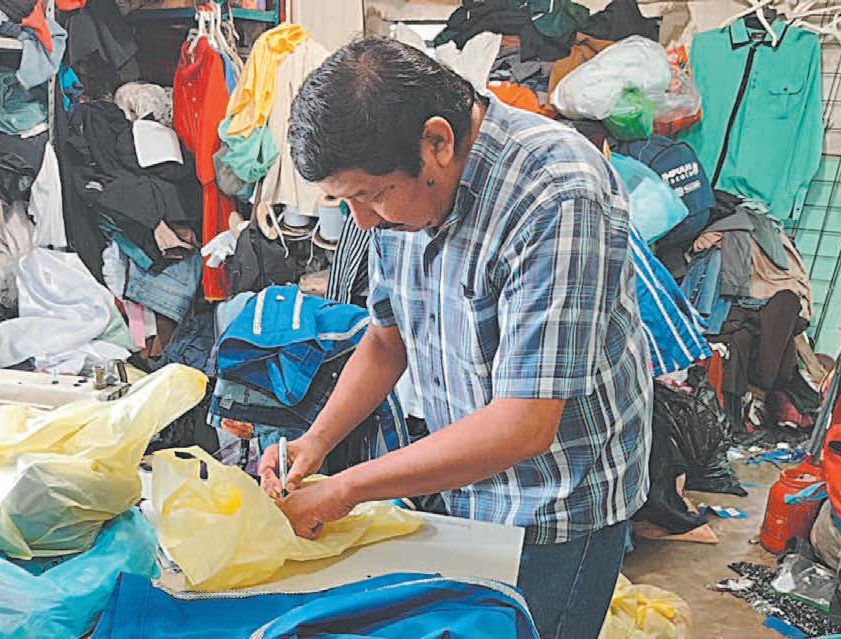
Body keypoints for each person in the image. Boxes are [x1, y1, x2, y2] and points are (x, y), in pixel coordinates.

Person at [257, 38, 653, 639]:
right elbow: (387, 341)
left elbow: (524, 423)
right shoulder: (400, 189)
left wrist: (345, 490)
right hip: (464, 482)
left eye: (372, 195)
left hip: (557, 504)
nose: (363, 220)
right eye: (348, 200)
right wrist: (315, 442)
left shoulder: (556, 193)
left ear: (437, 142)